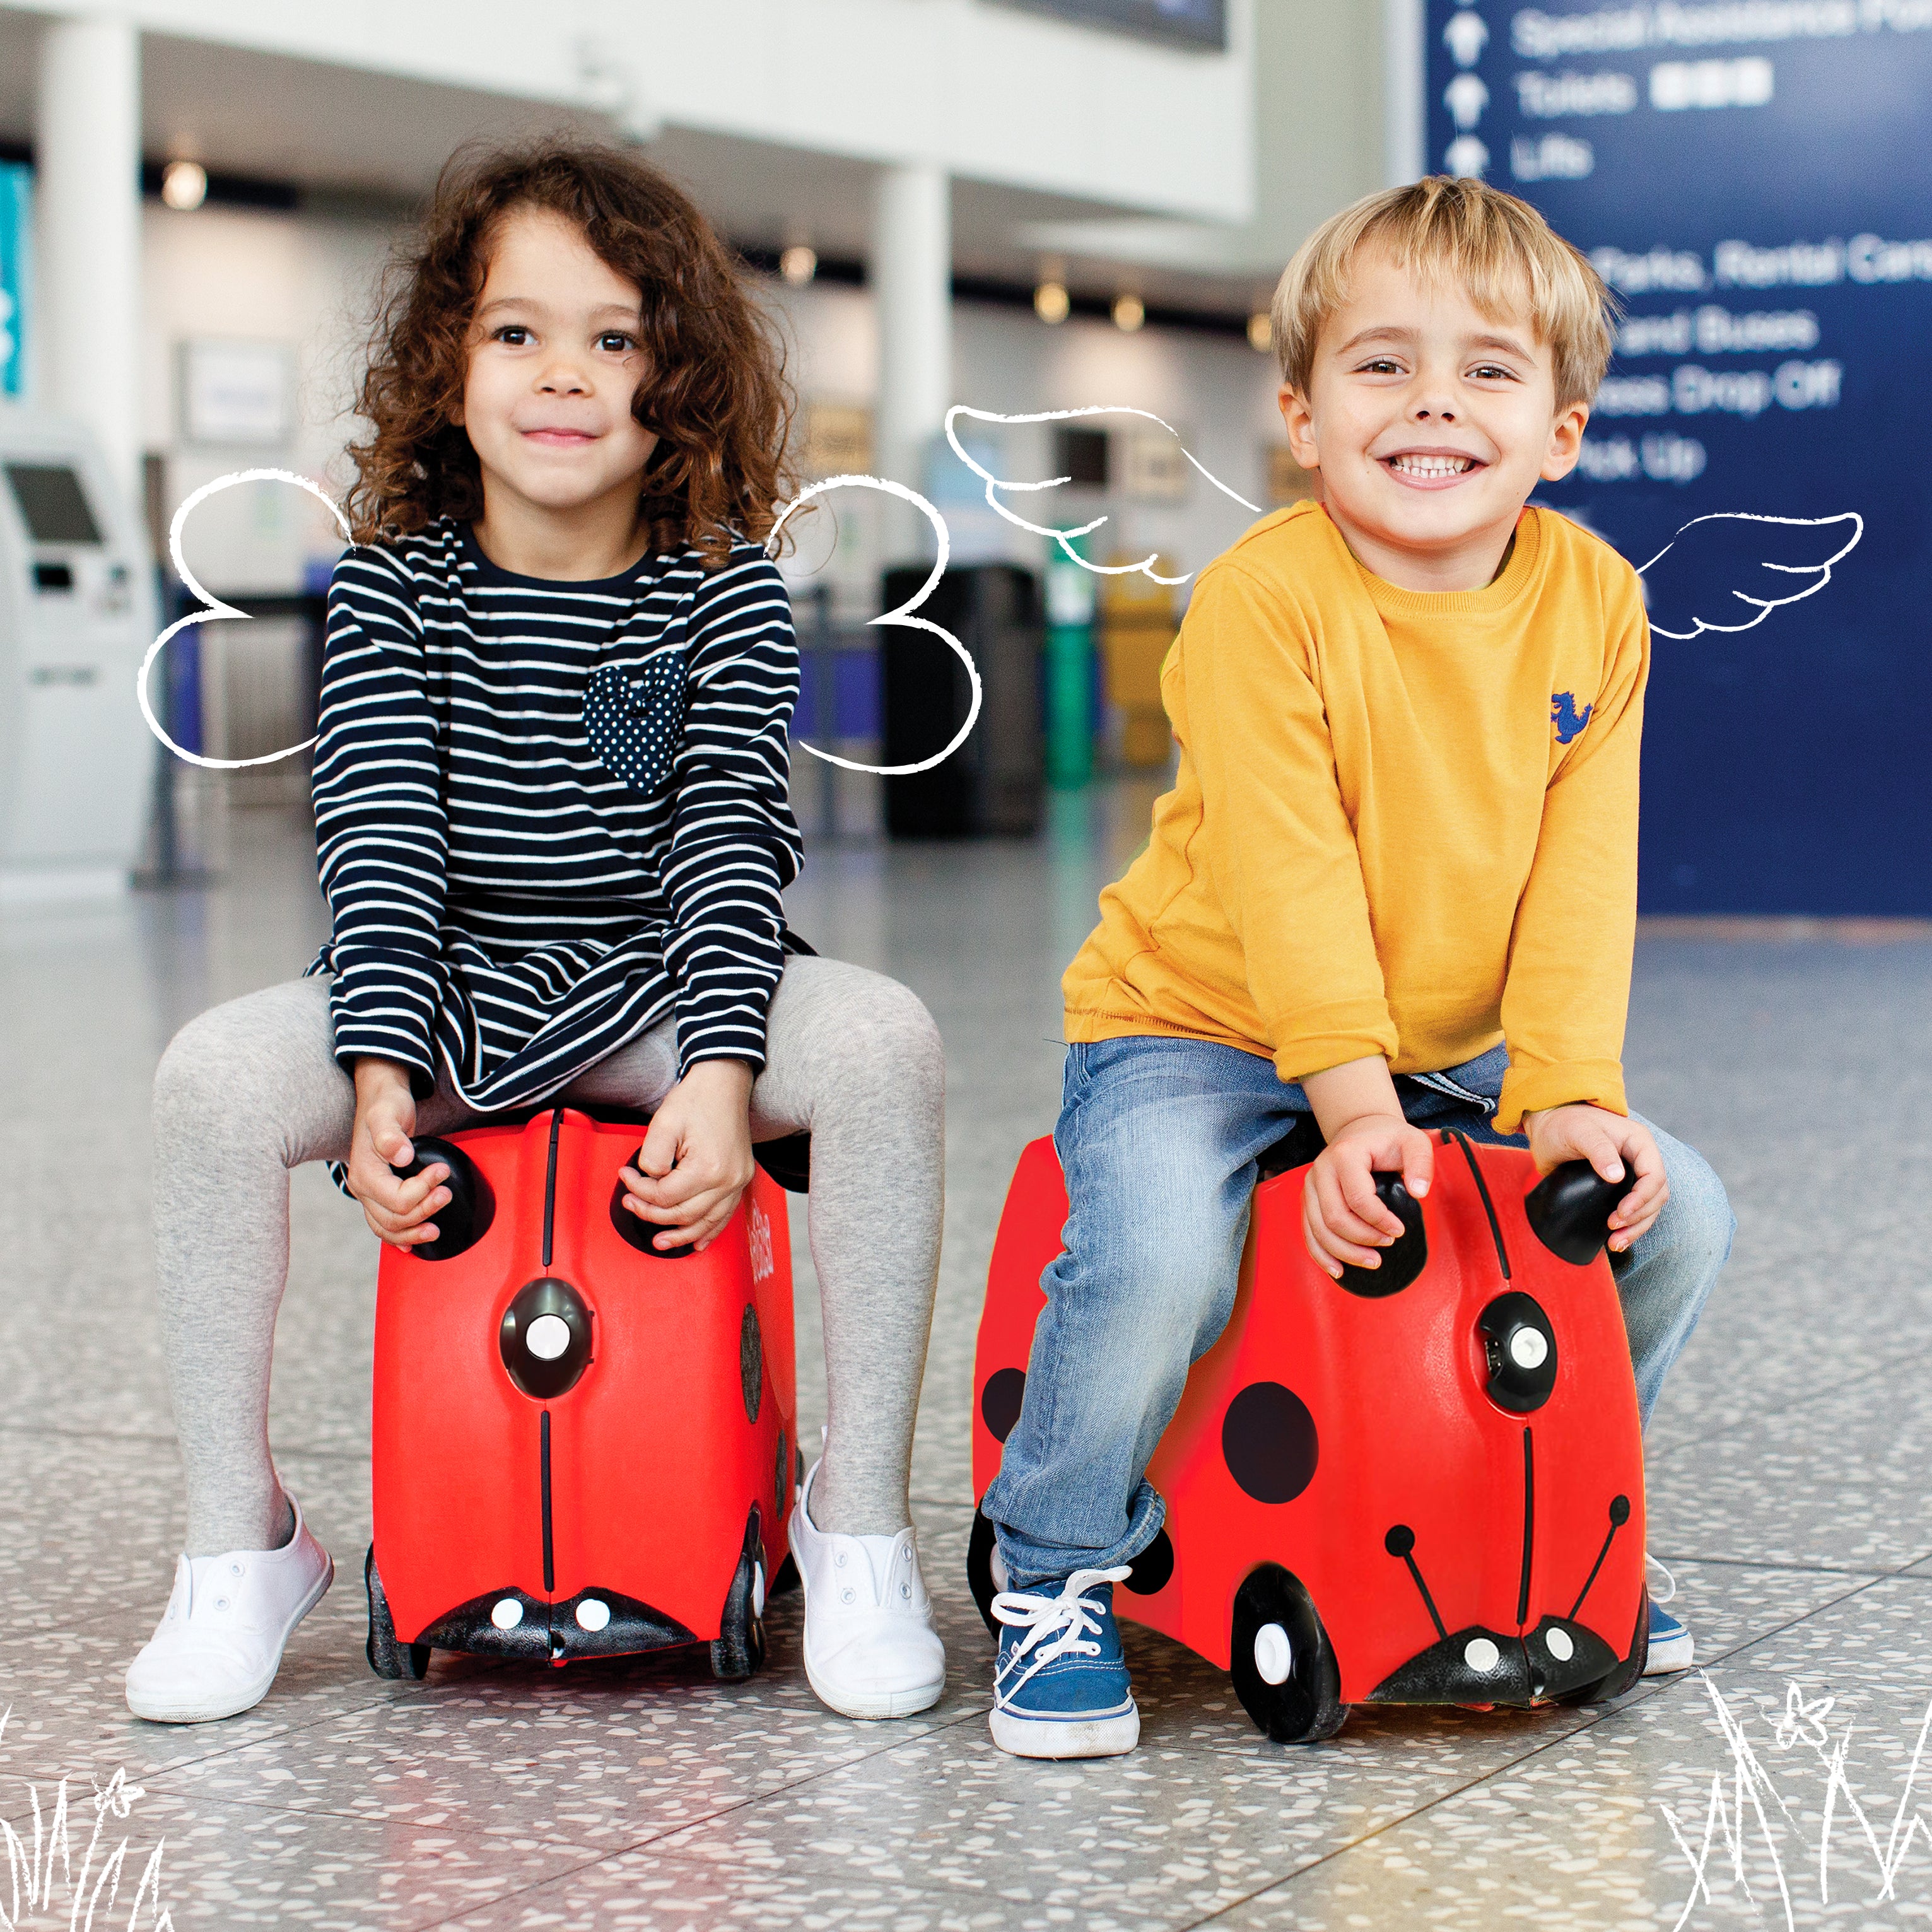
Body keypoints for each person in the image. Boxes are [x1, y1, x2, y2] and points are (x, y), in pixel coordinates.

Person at [126, 140, 947, 1727]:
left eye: (615, 336)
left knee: (883, 1041)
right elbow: (382, 845)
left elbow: (726, 846)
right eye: (517, 331)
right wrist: (374, 1070)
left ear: (677, 379)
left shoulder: (723, 594)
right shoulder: (390, 593)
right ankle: (241, 1542)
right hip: (441, 992)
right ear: (449, 366)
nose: (563, 373)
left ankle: (852, 1525)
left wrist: (719, 1070)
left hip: (657, 985)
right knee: (211, 1083)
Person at [978, 177, 1733, 1760]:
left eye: (1487, 370)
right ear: (1302, 417)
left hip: (1443, 1046)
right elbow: (1288, 870)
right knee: (1160, 1255)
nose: (1433, 404)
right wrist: (1343, 1104)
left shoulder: (1597, 605)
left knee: (1677, 1217)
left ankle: (1561, 1523)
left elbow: (1582, 879)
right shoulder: (1266, 600)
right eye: (1381, 365)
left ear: (1561, 429)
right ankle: (1052, 1557)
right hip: (1198, 1023)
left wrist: (1568, 1097)